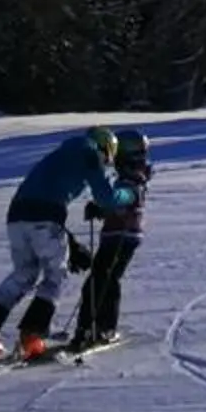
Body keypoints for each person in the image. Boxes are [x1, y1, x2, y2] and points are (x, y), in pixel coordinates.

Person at [0, 126, 137, 362]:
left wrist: (69, 241)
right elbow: (106, 199)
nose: (108, 162)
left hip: (17, 217)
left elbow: (44, 193)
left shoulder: (61, 153)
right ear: (106, 148)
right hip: (45, 219)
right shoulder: (91, 154)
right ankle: (31, 337)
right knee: (55, 276)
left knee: (23, 274)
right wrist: (129, 194)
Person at [66, 128, 152, 350]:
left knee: (104, 280)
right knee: (100, 280)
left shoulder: (134, 180)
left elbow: (125, 199)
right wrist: (101, 209)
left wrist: (104, 205)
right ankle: (89, 327)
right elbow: (119, 203)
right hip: (115, 235)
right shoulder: (129, 178)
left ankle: (102, 328)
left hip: (123, 236)